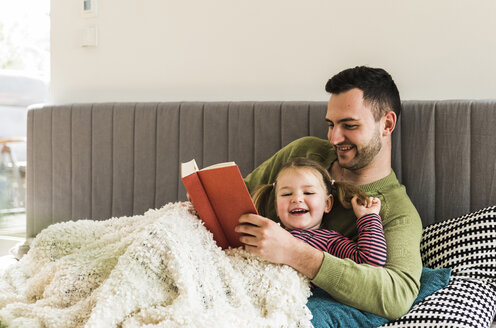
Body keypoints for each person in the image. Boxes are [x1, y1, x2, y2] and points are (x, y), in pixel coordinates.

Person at [236, 66, 423, 320]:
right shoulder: (305, 154)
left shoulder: (396, 211)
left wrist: (295, 253)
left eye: (349, 125)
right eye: (331, 124)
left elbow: (396, 296)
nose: (335, 138)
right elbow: (240, 195)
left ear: (387, 124)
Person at [252, 157, 386, 267]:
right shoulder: (267, 232)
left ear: (327, 204)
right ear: (276, 207)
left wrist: (369, 218)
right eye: (286, 194)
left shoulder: (329, 240)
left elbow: (371, 261)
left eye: (308, 192)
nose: (296, 199)